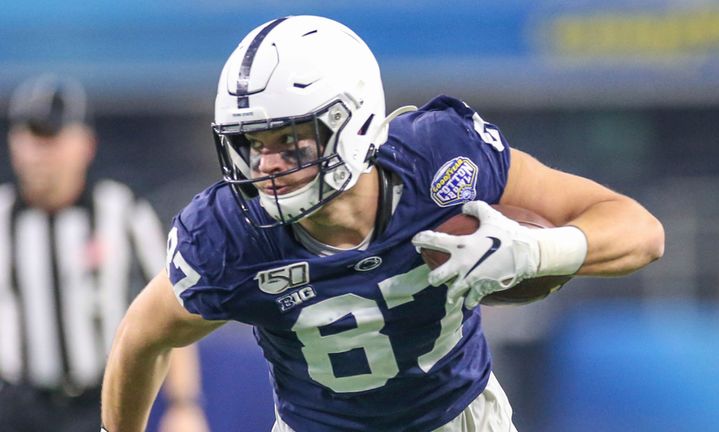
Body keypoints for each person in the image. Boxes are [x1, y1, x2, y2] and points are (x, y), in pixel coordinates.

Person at [101, 15, 665, 432]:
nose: (267, 165)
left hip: (459, 419)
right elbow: (142, 336)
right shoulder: (231, 233)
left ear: (356, 121)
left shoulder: (442, 161)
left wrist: (532, 253)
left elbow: (641, 231)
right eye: (253, 145)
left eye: (291, 140)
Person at [0, 74, 209, 432]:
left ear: (85, 144)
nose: (38, 152)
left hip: (98, 404)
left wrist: (183, 404)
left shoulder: (122, 212)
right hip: (16, 408)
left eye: (49, 137)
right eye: (28, 136)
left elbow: (173, 307)